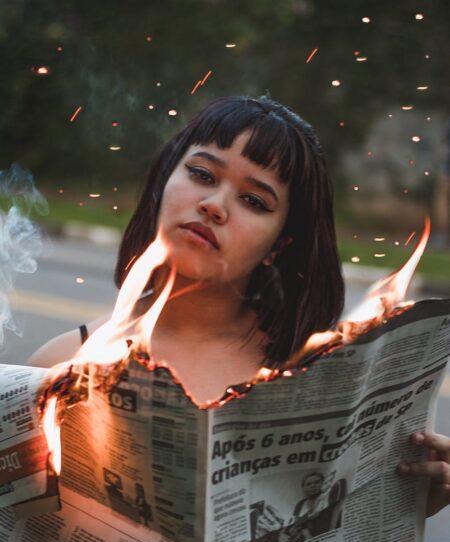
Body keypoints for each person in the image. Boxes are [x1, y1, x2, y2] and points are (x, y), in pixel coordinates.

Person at [28, 95, 450, 517]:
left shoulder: (316, 377)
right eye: (201, 173)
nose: (214, 205)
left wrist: (409, 502)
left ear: (279, 245)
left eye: (254, 201)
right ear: (163, 182)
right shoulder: (62, 364)